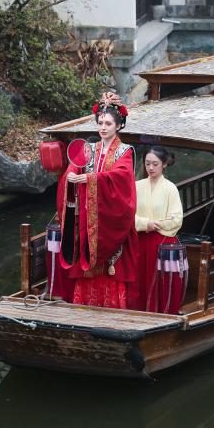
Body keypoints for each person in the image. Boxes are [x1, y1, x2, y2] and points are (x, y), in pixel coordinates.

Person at [57, 92, 138, 308]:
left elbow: (121, 178)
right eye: (100, 123)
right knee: (86, 261)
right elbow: (74, 167)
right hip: (88, 218)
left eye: (108, 123)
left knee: (112, 268)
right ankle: (84, 307)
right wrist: (71, 177)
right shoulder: (89, 149)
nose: (103, 127)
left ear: (118, 126)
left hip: (112, 220)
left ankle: (113, 310)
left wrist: (90, 179)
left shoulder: (125, 152)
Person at [133, 146, 184, 313]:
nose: (151, 168)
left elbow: (176, 219)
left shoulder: (170, 188)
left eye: (155, 164)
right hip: (140, 240)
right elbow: (127, 215)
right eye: (147, 163)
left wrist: (155, 224)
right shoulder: (137, 186)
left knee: (162, 281)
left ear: (164, 164)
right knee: (139, 279)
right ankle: (138, 312)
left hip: (162, 241)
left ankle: (162, 312)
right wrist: (144, 223)